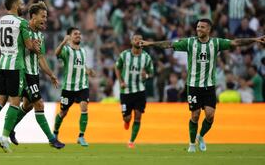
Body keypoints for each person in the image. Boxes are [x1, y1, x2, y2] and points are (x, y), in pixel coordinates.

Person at [140, 18, 265, 152]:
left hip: (209, 86)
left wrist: (255, 39)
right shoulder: (189, 43)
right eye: (198, 26)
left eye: (202, 27)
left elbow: (236, 42)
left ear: (209, 30)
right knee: (195, 115)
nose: (199, 29)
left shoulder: (216, 43)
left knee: (210, 116)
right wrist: (150, 43)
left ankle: (201, 135)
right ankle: (192, 144)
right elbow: (169, 44)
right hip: (193, 85)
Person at [0, 0, 39, 153]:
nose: (24, 6)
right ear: (14, 5)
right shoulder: (22, 22)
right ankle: (4, 137)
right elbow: (28, 46)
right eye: (21, 3)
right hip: (15, 66)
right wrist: (35, 45)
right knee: (14, 102)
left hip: (2, 64)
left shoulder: (1, 21)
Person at [8, 1, 65, 149]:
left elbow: (41, 58)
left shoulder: (40, 35)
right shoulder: (23, 29)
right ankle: (52, 139)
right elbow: (18, 50)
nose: (45, 19)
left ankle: (9, 129)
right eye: (43, 16)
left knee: (27, 106)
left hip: (34, 74)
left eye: (46, 17)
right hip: (24, 73)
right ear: (33, 16)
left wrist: (51, 74)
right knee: (39, 103)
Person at [52, 27, 96, 147]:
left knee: (84, 107)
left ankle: (81, 136)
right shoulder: (66, 50)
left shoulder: (83, 51)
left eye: (80, 34)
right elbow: (56, 54)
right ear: (69, 36)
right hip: (68, 88)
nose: (78, 35)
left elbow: (82, 66)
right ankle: (55, 134)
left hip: (82, 85)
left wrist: (89, 71)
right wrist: (62, 42)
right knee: (63, 112)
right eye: (75, 34)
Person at [114, 32, 154, 148]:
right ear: (131, 42)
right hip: (126, 92)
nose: (137, 41)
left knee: (138, 115)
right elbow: (117, 67)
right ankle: (126, 121)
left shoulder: (146, 57)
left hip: (140, 91)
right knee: (127, 117)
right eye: (135, 39)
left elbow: (151, 72)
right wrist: (121, 81)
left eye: (140, 39)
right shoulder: (124, 55)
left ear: (143, 42)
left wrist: (145, 75)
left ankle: (131, 141)